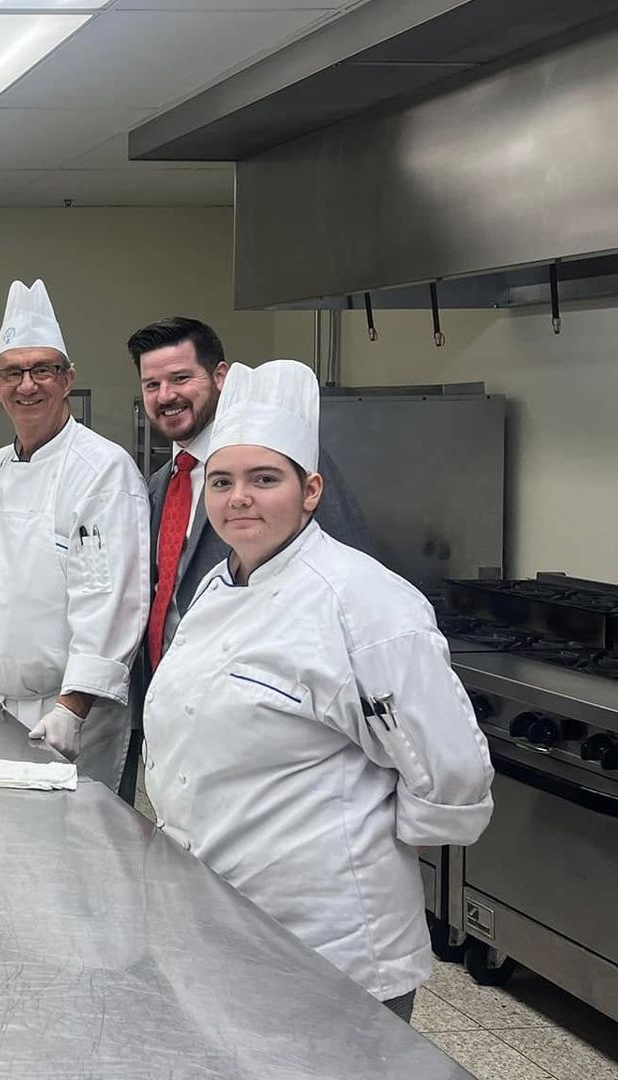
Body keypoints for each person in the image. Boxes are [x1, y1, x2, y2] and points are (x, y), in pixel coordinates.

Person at [142, 358, 493, 1022]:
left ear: (310, 491)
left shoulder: (365, 603)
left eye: (264, 479)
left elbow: (452, 773)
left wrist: (359, 853)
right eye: (223, 481)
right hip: (218, 918)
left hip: (331, 945)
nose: (238, 497)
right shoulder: (220, 588)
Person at [122, 316, 371, 801]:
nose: (166, 395)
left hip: (270, 737)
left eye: (180, 378)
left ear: (220, 377)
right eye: (152, 384)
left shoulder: (285, 467)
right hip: (176, 719)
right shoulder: (158, 485)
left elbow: (342, 585)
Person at [0, 280, 148, 791]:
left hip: (66, 716)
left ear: (68, 379)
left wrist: (74, 705)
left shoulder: (102, 469)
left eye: (42, 370)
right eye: (13, 373)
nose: (27, 385)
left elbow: (111, 599)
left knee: (67, 855)